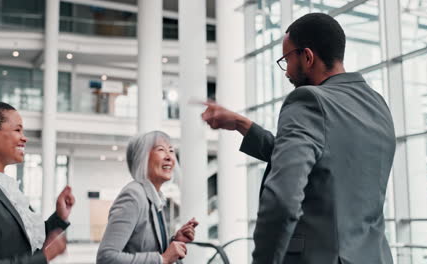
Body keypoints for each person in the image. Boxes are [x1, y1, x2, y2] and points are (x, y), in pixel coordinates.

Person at [202, 13, 395, 264]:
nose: (286, 73)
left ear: (307, 56)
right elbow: (327, 166)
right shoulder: (377, 104)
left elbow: (282, 198)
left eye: (287, 60)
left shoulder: (308, 99)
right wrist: (243, 125)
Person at [0, 101, 76, 264]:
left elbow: (22, 240)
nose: (24, 138)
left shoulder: (4, 186)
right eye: (17, 130)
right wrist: (43, 258)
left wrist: (59, 217)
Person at [97, 131, 199, 264]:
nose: (169, 157)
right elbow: (106, 258)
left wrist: (175, 241)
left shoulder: (155, 197)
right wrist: (162, 259)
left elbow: (142, 248)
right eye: (161, 149)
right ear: (142, 158)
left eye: (171, 150)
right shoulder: (133, 196)